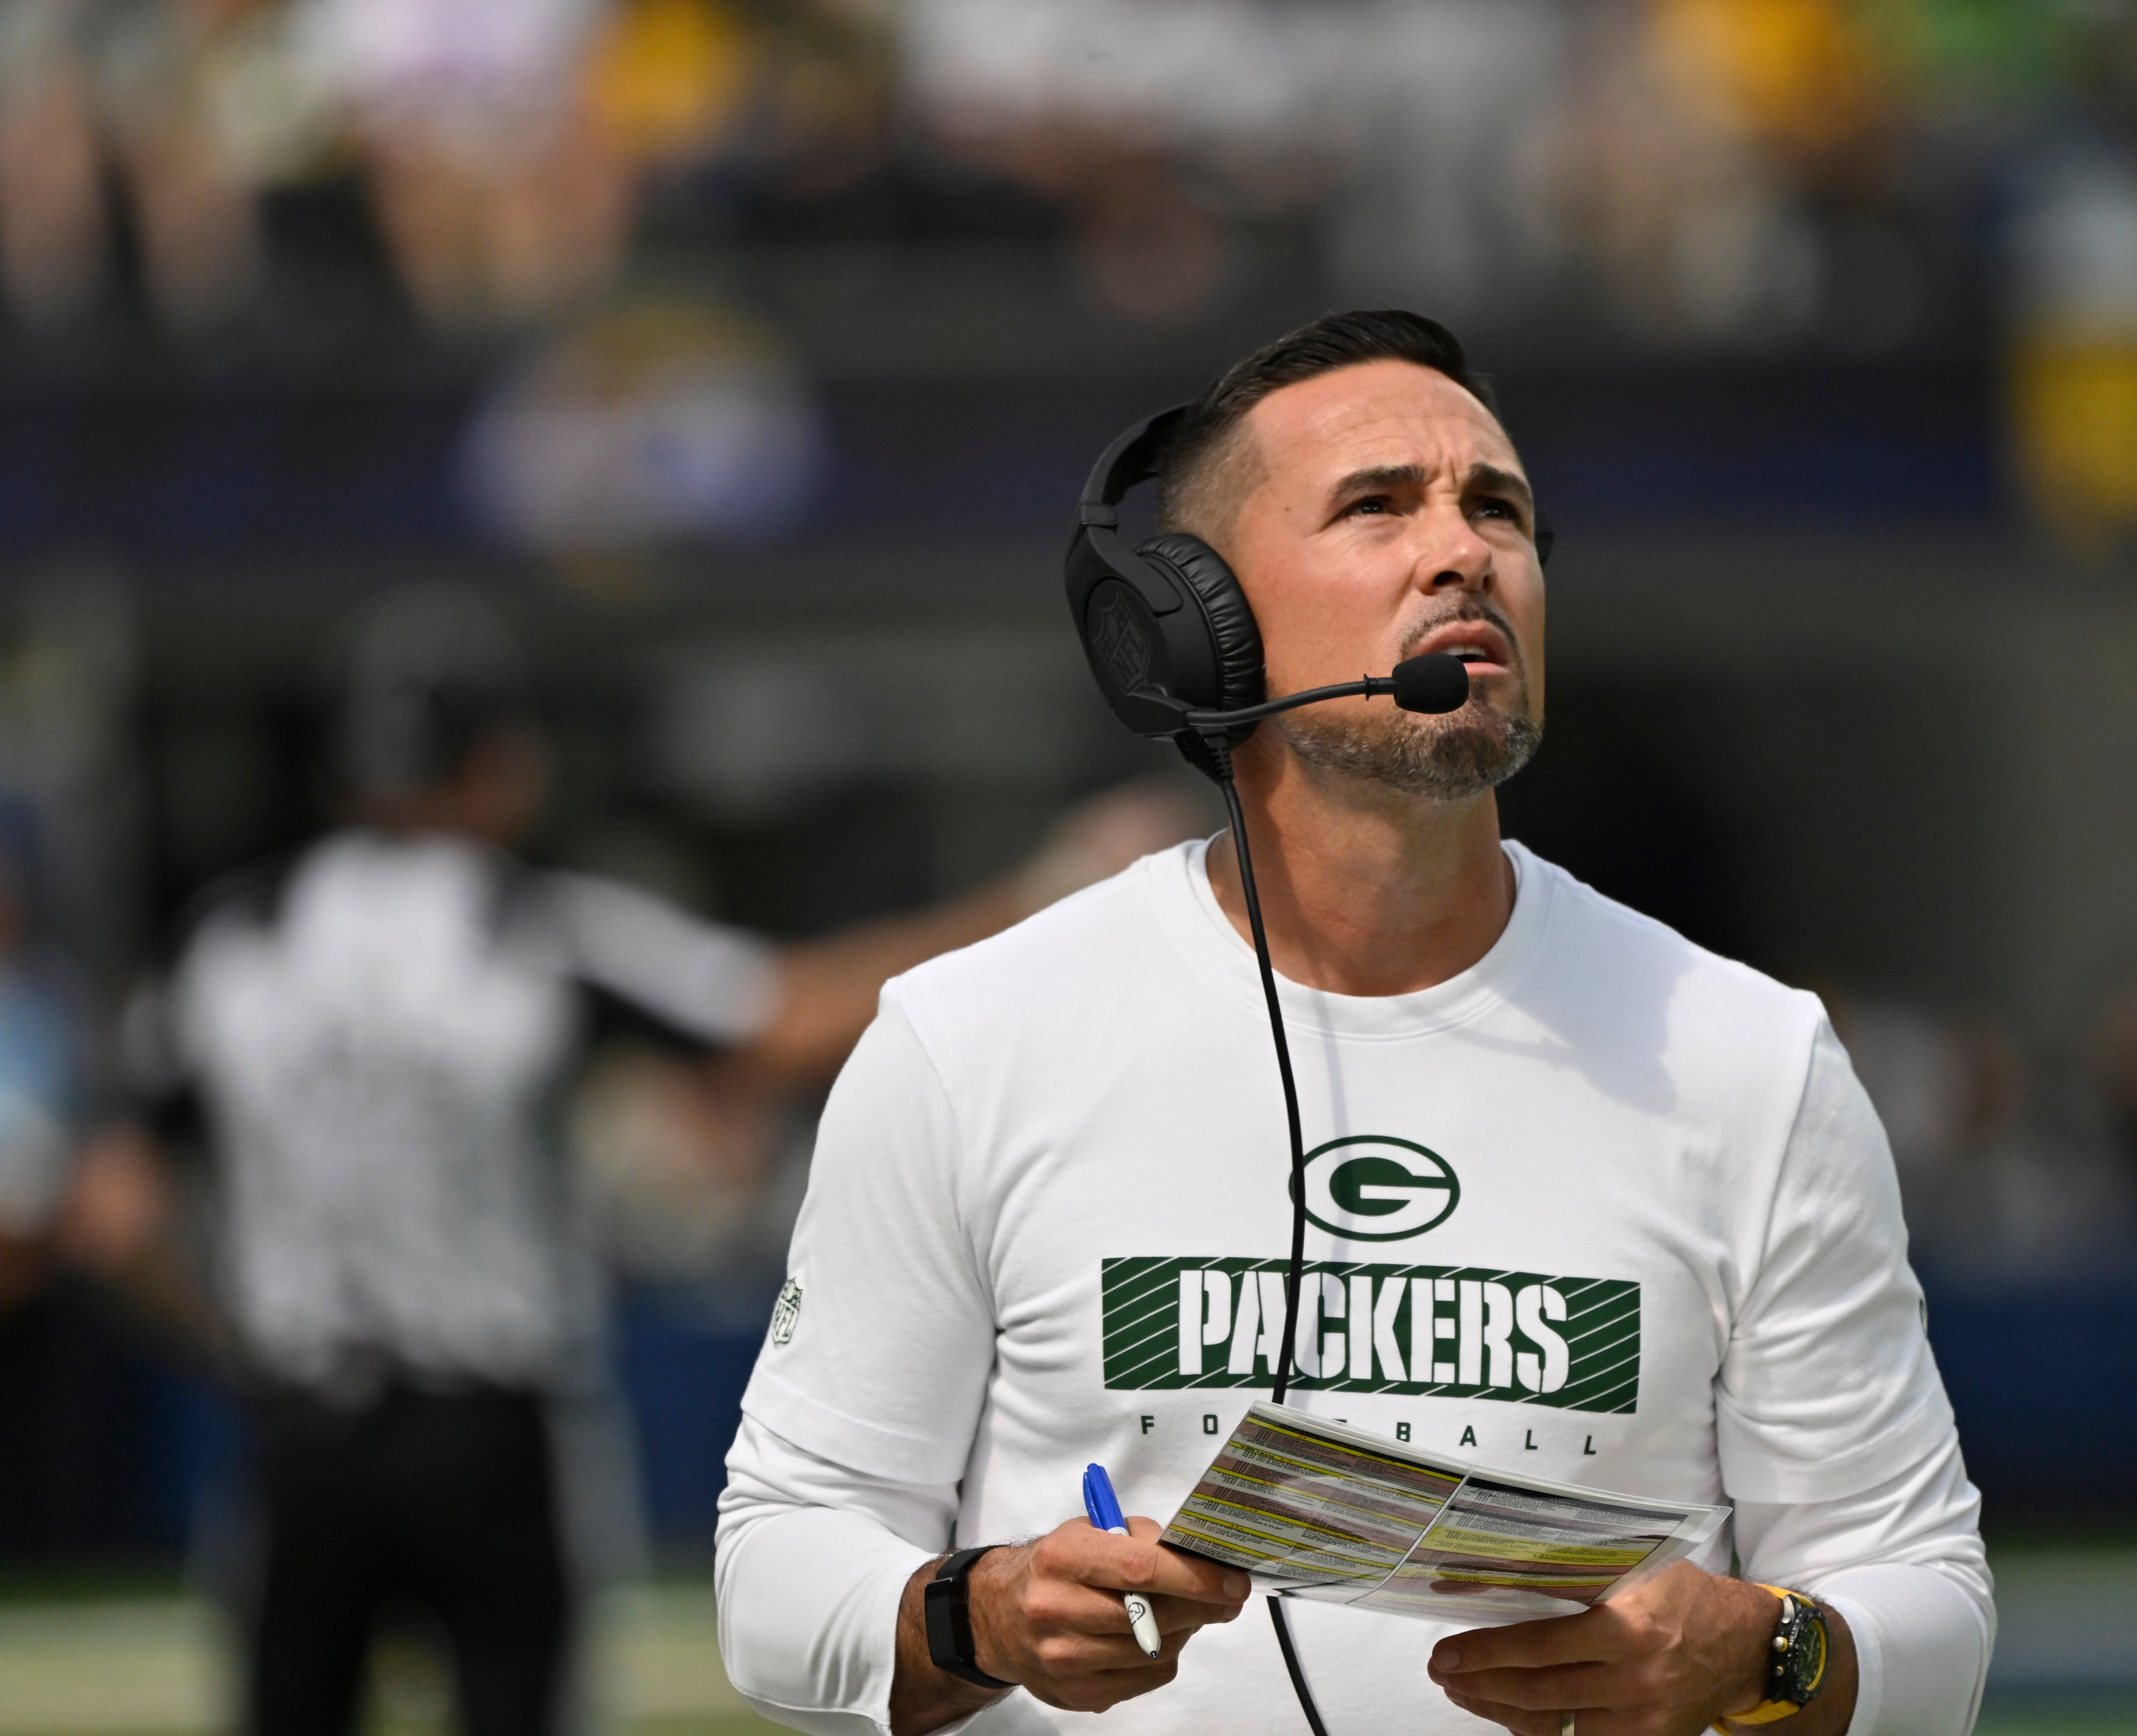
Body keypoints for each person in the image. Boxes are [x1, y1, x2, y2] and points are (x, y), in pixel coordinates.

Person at [713, 311, 1993, 1736]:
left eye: (1496, 506)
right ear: (1200, 625)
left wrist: (1773, 1652)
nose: (1465, 552)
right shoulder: (969, 1040)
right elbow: (775, 1573)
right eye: (1377, 506)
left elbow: (1924, 1596)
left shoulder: (1750, 1057)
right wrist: (983, 1613)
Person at [71, 586, 1194, 1736]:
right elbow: (783, 1019)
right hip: (492, 1427)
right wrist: (1041, 892)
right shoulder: (531, 927)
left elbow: (109, 1204)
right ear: (499, 763)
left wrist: (234, 1347)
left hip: (298, 1428)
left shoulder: (233, 940)